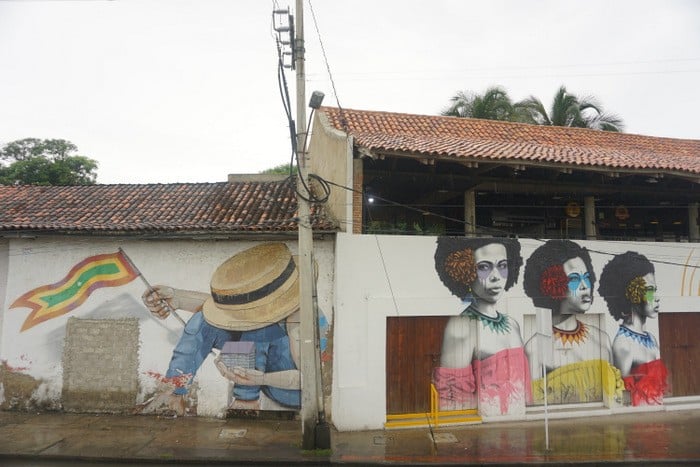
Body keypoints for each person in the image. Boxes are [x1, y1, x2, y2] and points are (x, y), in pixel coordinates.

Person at [140, 242, 301, 415]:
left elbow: (307, 379)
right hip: (257, 371)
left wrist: (260, 378)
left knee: (258, 327)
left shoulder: (300, 316)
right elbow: (232, 310)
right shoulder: (265, 303)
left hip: (288, 390)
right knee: (203, 319)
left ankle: (245, 402)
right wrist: (178, 298)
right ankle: (174, 392)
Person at [432, 236, 530, 416]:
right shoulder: (460, 327)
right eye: (484, 267)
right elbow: (453, 400)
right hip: (487, 430)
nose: (496, 277)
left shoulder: (513, 324)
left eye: (502, 265)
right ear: (465, 270)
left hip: (518, 425)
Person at [523, 240, 622, 405]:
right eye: (574, 279)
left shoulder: (601, 339)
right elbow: (533, 402)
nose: (584, 286)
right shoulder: (535, 347)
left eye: (587, 277)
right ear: (553, 284)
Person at [598, 251, 668, 406]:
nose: (656, 297)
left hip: (656, 413)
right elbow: (622, 391)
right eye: (650, 291)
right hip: (639, 418)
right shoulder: (623, 344)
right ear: (633, 294)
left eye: (654, 290)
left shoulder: (651, 338)